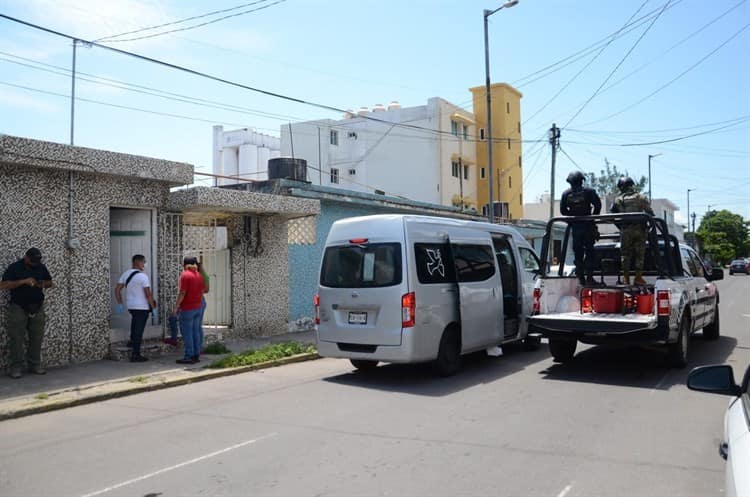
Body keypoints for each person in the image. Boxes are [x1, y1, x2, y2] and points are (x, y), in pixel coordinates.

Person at [0, 247, 54, 379]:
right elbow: (3, 285)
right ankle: (16, 367)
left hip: (37, 306)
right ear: (26, 257)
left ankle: (35, 365)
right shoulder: (15, 268)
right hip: (18, 306)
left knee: (37, 337)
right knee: (16, 337)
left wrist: (40, 284)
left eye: (37, 261)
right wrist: (23, 281)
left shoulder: (41, 267)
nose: (35, 263)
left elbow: (50, 283)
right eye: (33, 261)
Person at [610, 176, 654, 286]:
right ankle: (638, 277)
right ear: (631, 185)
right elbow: (650, 214)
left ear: (621, 187)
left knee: (625, 254)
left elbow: (611, 215)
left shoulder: (618, 200)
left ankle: (626, 279)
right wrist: (648, 227)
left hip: (626, 230)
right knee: (640, 254)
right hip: (640, 230)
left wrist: (620, 227)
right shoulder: (641, 197)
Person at [560, 171, 602, 285]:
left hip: (576, 228)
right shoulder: (589, 191)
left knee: (578, 253)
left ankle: (581, 278)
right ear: (581, 180)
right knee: (589, 252)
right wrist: (592, 218)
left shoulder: (565, 194)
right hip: (588, 226)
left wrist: (572, 219)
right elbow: (598, 205)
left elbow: (563, 211)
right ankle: (589, 277)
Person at [114, 254, 157, 362]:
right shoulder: (143, 276)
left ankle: (132, 342)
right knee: (139, 330)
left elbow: (117, 289)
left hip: (132, 306)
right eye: (143, 262)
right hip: (142, 307)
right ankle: (135, 354)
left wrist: (120, 303)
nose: (144, 264)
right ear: (137, 262)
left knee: (135, 324)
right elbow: (148, 294)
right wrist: (153, 308)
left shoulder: (126, 274)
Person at [172, 257, 205, 365]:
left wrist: (176, 306)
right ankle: (196, 355)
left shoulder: (185, 275)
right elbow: (202, 291)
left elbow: (182, 292)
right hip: (197, 307)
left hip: (187, 308)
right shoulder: (198, 275)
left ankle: (188, 356)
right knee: (195, 331)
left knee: (187, 333)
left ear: (184, 264)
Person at [196, 260, 210, 355]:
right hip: (202, 301)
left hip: (196, 302)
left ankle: (197, 347)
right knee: (198, 326)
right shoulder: (204, 276)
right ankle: (199, 347)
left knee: (195, 327)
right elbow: (206, 290)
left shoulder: (195, 276)